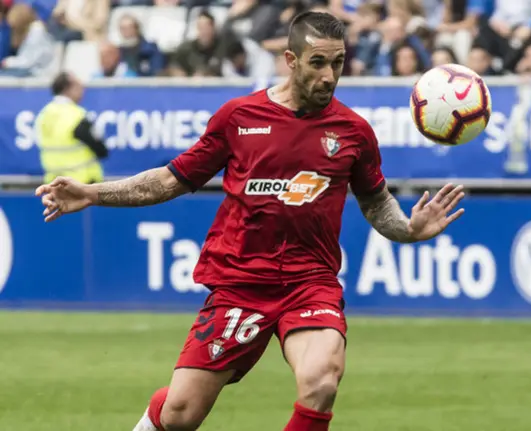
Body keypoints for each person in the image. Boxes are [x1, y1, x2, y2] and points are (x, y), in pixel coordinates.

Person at [35, 11, 465, 431]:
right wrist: (92, 193)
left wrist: (408, 229)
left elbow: (376, 203)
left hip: (309, 283)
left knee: (321, 382)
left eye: (338, 63)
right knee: (181, 414)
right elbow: (169, 180)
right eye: (318, 63)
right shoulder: (239, 118)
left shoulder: (354, 131)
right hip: (241, 283)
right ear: (292, 60)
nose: (330, 76)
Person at [35, 72, 109, 184]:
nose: (82, 90)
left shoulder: (43, 115)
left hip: (54, 184)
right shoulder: (77, 115)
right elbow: (101, 150)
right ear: (67, 88)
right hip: (81, 183)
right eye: (78, 85)